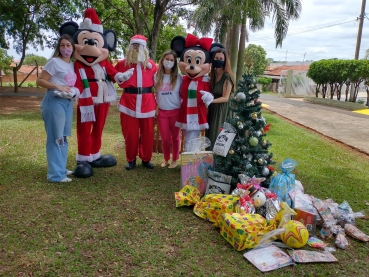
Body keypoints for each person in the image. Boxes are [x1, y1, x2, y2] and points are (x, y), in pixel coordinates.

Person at [37, 34, 78, 183]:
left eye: (68, 45)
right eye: (62, 45)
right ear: (59, 48)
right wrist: (57, 86)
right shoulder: (54, 62)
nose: (65, 48)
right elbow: (40, 80)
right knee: (56, 138)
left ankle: (61, 168)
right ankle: (55, 175)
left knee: (64, 136)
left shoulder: (72, 65)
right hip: (54, 102)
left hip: (67, 103)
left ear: (73, 48)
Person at [115, 35, 158, 170]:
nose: (137, 48)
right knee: (130, 134)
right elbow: (112, 77)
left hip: (147, 102)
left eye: (139, 46)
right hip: (128, 102)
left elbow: (160, 84)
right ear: (130, 47)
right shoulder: (122, 64)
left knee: (148, 133)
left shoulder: (152, 66)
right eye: (134, 45)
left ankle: (146, 159)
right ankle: (131, 159)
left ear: (144, 48)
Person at [154, 50, 182, 168]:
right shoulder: (156, 76)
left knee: (175, 137)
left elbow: (182, 93)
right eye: (167, 59)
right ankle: (166, 159)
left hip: (176, 111)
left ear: (175, 62)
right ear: (162, 60)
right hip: (162, 112)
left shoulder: (179, 77)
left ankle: (175, 159)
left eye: (172, 60)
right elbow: (154, 93)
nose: (169, 62)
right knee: (165, 138)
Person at [206, 48, 235, 150]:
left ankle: (218, 162)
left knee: (217, 135)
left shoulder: (227, 76)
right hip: (213, 108)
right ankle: (209, 160)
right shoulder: (212, 74)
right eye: (216, 58)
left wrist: (209, 101)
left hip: (223, 109)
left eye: (221, 58)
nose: (218, 60)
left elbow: (225, 98)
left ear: (225, 60)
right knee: (209, 134)